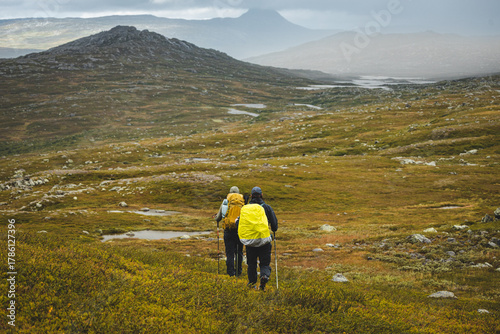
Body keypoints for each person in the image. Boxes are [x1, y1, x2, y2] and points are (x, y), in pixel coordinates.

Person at [237, 186, 278, 291]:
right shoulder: (267, 207)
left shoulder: (246, 208)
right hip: (264, 241)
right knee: (264, 263)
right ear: (262, 195)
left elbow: (240, 223)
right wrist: (272, 231)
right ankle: (264, 277)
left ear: (251, 196)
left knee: (251, 264)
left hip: (250, 242)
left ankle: (251, 284)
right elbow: (275, 226)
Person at [215, 186, 245, 277]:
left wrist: (216, 218)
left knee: (230, 252)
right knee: (239, 252)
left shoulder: (226, 201)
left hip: (228, 231)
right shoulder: (242, 201)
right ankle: (238, 272)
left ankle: (230, 273)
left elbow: (219, 217)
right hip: (239, 230)